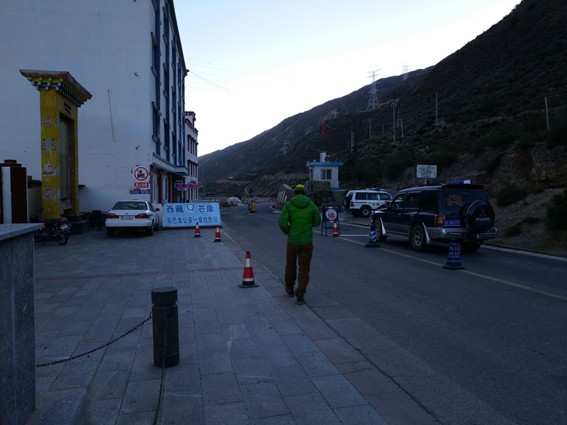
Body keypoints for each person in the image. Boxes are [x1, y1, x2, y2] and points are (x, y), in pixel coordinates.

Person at [278, 184, 321, 304]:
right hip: (307, 242)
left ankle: (289, 288)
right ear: (304, 193)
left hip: (293, 241)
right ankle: (301, 292)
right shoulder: (311, 205)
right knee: (304, 268)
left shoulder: (289, 205)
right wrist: (308, 225)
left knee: (290, 265)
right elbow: (317, 222)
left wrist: (288, 231)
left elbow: (282, 222)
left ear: (295, 193)